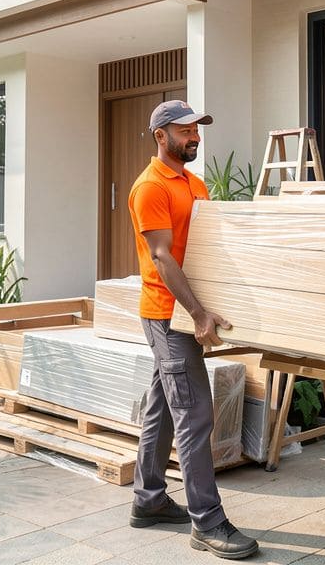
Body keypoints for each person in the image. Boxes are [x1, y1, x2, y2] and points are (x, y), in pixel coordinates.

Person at [127, 100, 258, 560]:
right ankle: (208, 522)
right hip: (168, 315)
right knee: (195, 412)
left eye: (197, 129)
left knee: (164, 406)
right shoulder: (150, 188)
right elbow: (163, 257)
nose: (194, 137)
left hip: (187, 312)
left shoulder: (194, 184)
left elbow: (209, 250)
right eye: (185, 130)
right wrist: (199, 313)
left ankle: (148, 500)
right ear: (160, 136)